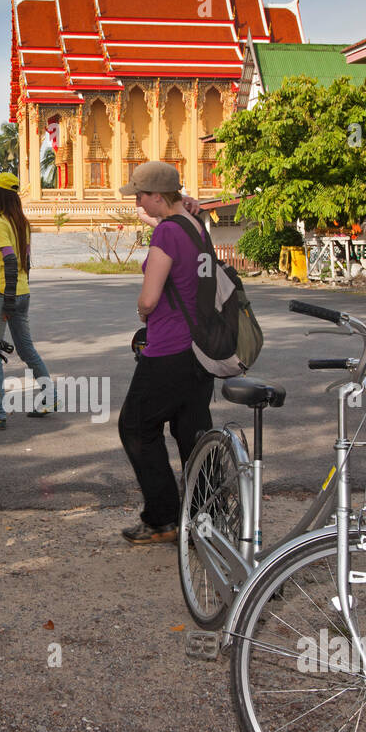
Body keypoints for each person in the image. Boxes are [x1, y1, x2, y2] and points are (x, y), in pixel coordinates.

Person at [117, 161, 214, 545]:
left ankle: (163, 518)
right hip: (202, 349)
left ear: (158, 196)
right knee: (191, 435)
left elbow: (150, 297)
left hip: (169, 348)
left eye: (141, 194)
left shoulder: (166, 236)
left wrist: (142, 311)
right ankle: (206, 518)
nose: (137, 201)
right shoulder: (196, 228)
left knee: (136, 427)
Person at [0, 172, 54, 430]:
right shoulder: (22, 222)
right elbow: (24, 260)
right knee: (26, 349)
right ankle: (49, 398)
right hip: (22, 291)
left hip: (1, 295)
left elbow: (9, 260)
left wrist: (7, 302)